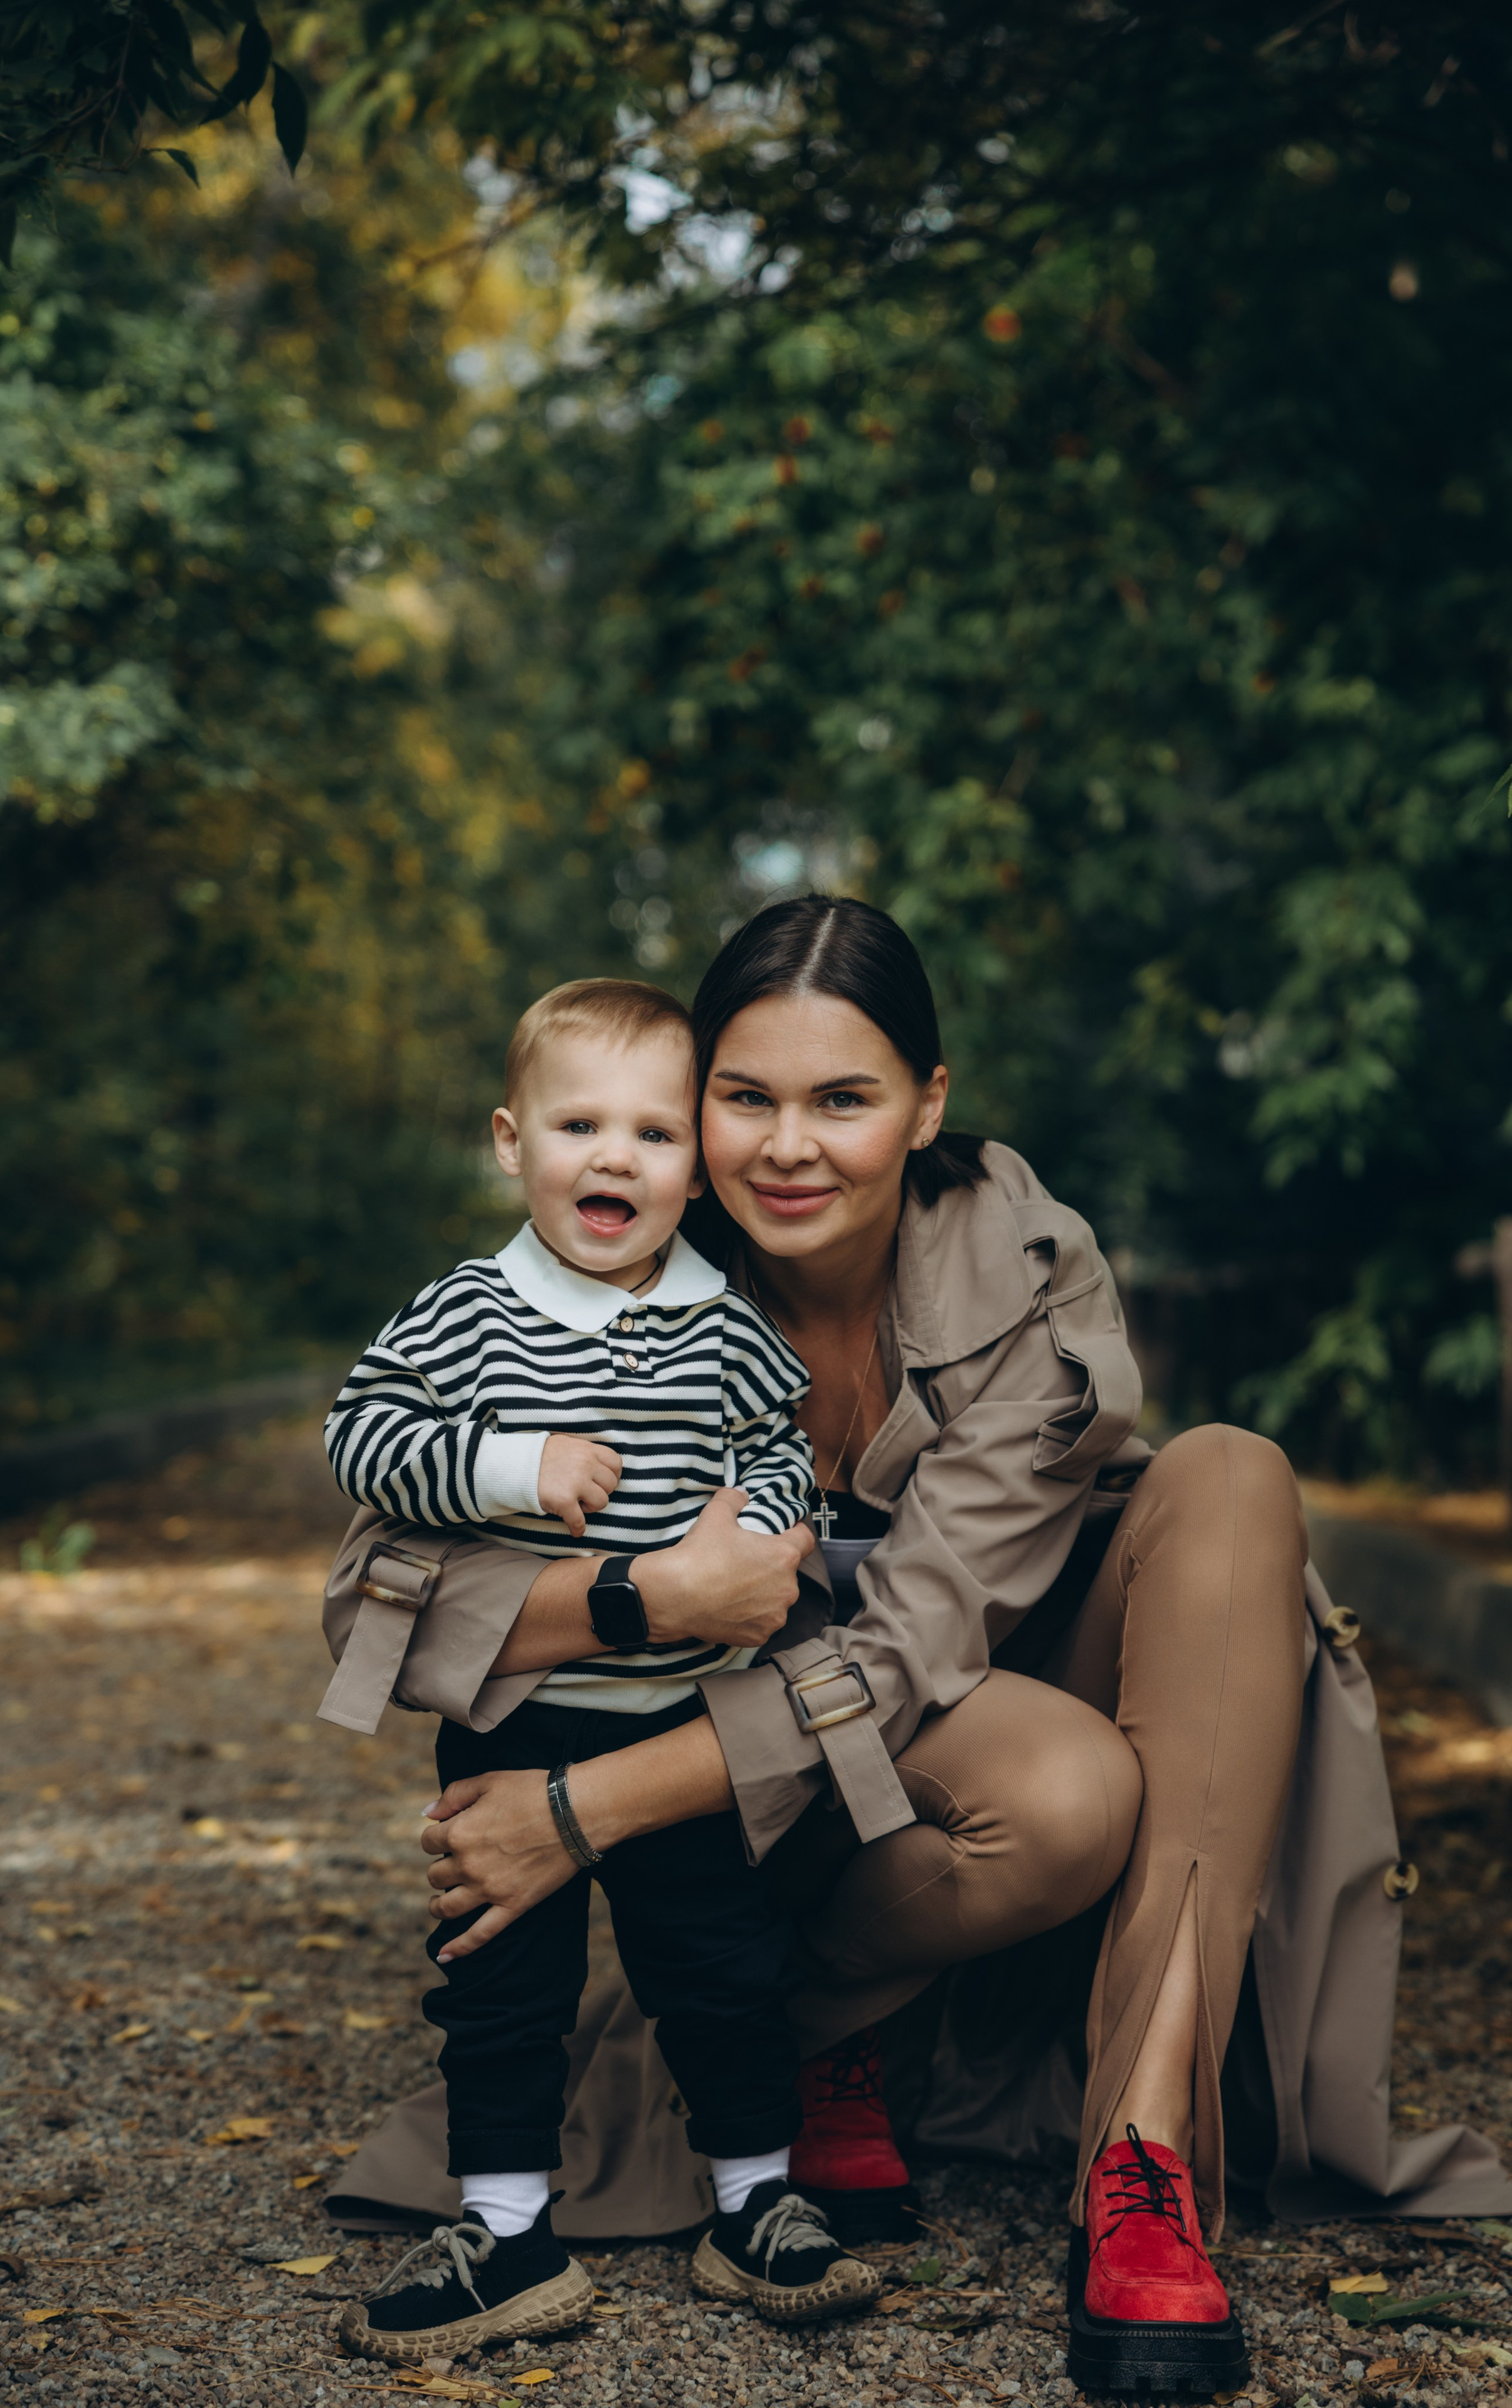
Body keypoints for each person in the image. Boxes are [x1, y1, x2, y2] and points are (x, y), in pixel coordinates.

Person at [322, 900, 1512, 2396]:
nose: (786, 1148)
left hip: (909, 1710)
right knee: (1053, 1789)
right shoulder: (597, 1258)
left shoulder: (1025, 1269)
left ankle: (1141, 2164)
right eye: (744, 1098)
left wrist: (579, 1811)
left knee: (1227, 1476)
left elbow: (900, 1655)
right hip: (750, 1799)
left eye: (844, 1098)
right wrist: (646, 1600)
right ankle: (812, 2038)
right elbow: (380, 1588)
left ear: (927, 1104)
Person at [321, 978, 882, 2362]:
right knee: (498, 1975)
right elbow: (361, 1435)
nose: (613, 1158)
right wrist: (512, 1466)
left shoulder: (721, 1325)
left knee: (720, 1967)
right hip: (513, 1717)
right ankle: (503, 2226)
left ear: (694, 1169)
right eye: (579, 1124)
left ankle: (755, 2202)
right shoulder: (468, 1314)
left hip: (676, 1723)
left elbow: (772, 1453)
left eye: (650, 1133)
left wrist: (752, 1539)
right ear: (513, 1144)